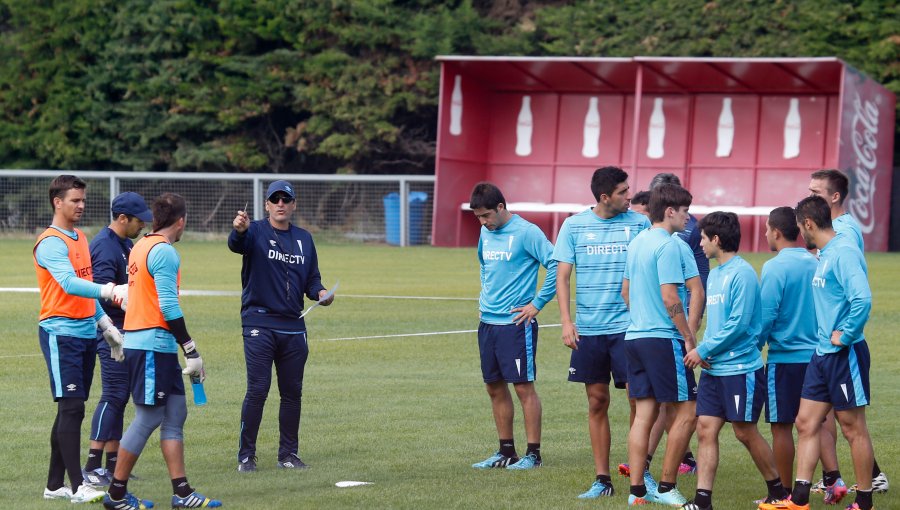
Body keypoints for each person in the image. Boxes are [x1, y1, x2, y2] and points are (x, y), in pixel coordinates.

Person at [103, 193, 221, 510]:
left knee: (175, 412)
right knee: (149, 417)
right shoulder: (165, 252)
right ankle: (115, 494)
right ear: (180, 221)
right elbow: (168, 307)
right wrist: (192, 350)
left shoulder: (140, 245)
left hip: (156, 345)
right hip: (152, 346)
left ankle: (182, 493)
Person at [553, 167, 650, 498]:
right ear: (605, 197)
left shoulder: (640, 224)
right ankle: (602, 479)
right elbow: (562, 277)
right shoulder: (574, 226)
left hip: (630, 329)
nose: (630, 196)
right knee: (597, 401)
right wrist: (567, 322)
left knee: (638, 400)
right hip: (591, 330)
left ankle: (641, 474)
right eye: (624, 192)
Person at [682, 212, 790, 510]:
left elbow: (739, 324)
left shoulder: (742, 273)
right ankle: (703, 501)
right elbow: (718, 325)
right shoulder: (715, 273)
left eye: (703, 238)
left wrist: (703, 350)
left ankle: (778, 491)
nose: (700, 243)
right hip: (715, 370)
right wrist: (706, 350)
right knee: (705, 427)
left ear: (716, 239)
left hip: (741, 370)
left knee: (744, 431)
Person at [229, 180, 334, 472]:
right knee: (258, 389)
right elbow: (236, 244)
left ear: (294, 205)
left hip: (293, 327)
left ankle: (287, 454)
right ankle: (246, 456)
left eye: (286, 200)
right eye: (275, 199)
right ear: (266, 205)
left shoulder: (304, 239)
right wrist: (238, 230)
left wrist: (322, 294)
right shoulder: (254, 231)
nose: (280, 204)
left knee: (292, 393)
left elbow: (312, 279)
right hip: (259, 323)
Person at [34, 175, 126, 504]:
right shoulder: (50, 242)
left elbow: (85, 295)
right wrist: (111, 290)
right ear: (57, 202)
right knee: (71, 407)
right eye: (75, 200)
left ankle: (54, 484)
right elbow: (70, 284)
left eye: (83, 200)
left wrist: (105, 325)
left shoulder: (81, 238)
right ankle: (78, 486)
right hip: (60, 334)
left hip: (86, 332)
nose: (81, 205)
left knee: (71, 410)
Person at [781, 196, 875, 510]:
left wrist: (845, 335)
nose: (799, 234)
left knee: (852, 427)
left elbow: (862, 299)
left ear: (808, 224)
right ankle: (800, 499)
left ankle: (864, 501)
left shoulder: (843, 253)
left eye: (799, 227)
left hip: (843, 354)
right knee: (806, 422)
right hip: (821, 355)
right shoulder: (826, 254)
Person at [807, 169, 887, 496]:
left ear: (835, 196)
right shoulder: (829, 230)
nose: (810, 196)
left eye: (816, 191)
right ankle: (831, 480)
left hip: (841, 345)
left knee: (847, 420)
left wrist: (846, 331)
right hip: (822, 342)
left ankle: (871, 480)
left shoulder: (844, 233)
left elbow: (857, 292)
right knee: (818, 418)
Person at [469, 182, 556, 470]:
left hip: (516, 325)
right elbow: (483, 263)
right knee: (494, 387)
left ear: (501, 208)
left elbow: (556, 264)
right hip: (488, 323)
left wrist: (537, 303)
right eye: (478, 218)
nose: (483, 223)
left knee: (522, 388)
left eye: (486, 216)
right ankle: (507, 451)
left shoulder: (527, 232)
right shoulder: (485, 231)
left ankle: (533, 454)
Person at [622, 184, 699, 506]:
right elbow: (671, 297)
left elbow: (625, 292)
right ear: (670, 211)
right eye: (684, 212)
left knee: (645, 414)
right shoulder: (667, 245)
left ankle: (637, 492)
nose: (687, 218)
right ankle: (667, 487)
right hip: (661, 339)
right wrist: (687, 335)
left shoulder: (637, 242)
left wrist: (643, 317)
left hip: (635, 337)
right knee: (688, 412)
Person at [83, 192, 153, 486]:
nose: (143, 226)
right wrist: (121, 303)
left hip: (129, 329)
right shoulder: (103, 246)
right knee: (113, 394)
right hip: (110, 332)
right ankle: (91, 465)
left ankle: (113, 463)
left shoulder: (126, 244)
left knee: (121, 397)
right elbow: (98, 293)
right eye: (139, 221)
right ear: (122, 219)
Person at [757, 207, 818, 491]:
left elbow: (766, 316)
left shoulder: (774, 267)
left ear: (777, 232)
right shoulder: (816, 262)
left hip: (784, 359)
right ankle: (822, 481)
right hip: (817, 357)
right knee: (813, 426)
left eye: (767, 229)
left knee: (781, 427)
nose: (766, 233)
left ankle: (783, 491)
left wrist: (755, 347)